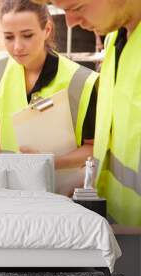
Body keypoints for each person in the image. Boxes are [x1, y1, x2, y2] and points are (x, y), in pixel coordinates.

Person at [31, 0, 141, 226]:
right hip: (120, 229)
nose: (70, 23)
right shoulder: (113, 42)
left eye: (78, 7)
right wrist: (87, 181)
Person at [0, 0, 99, 195]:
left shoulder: (82, 81)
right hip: (12, 192)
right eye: (8, 37)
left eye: (27, 35)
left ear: (47, 30)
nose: (17, 47)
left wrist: (47, 163)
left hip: (63, 194)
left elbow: (93, 149)